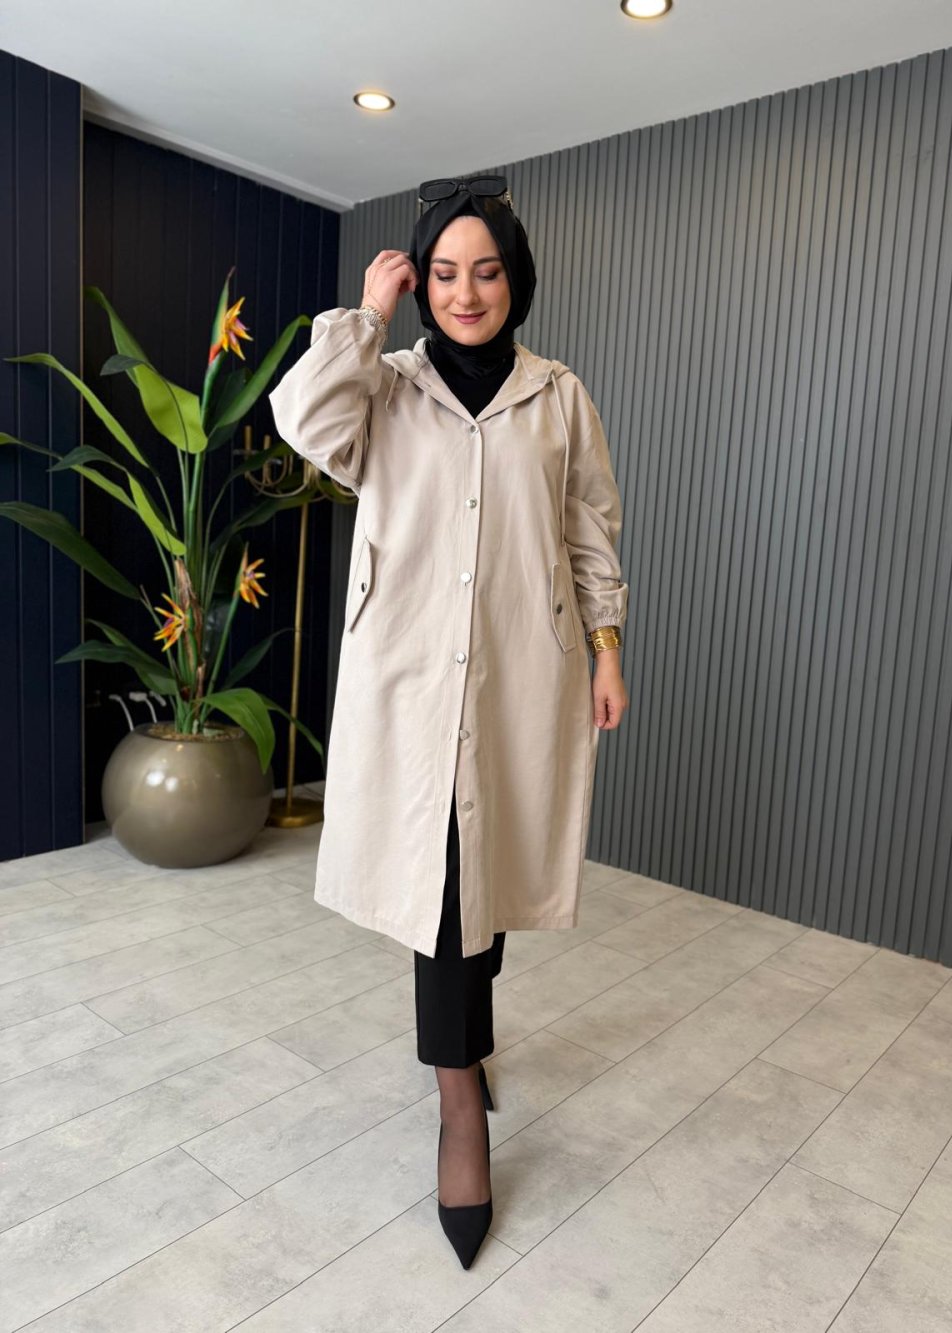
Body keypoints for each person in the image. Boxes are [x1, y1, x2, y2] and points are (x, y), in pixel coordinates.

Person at [267, 174, 630, 1269]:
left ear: (517, 281)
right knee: (442, 888)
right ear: (420, 284)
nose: (466, 293)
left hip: (523, 669)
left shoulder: (559, 397)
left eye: (486, 271)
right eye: (443, 273)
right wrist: (363, 318)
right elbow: (301, 422)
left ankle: (469, 1039)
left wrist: (607, 647)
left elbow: (589, 529)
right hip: (412, 677)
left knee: (487, 862)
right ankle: (459, 1102)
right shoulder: (381, 389)